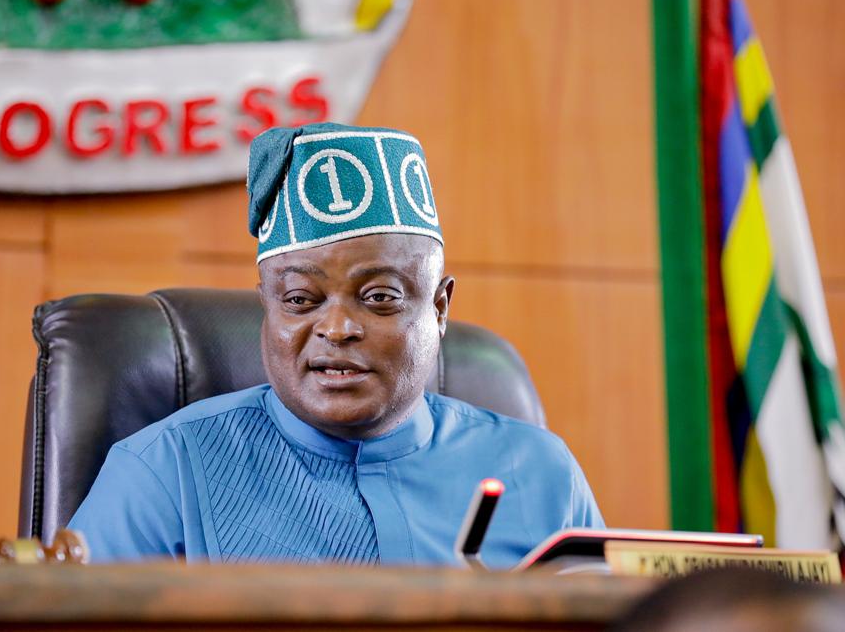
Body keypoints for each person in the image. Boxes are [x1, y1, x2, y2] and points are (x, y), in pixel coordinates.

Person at [68, 123, 604, 566]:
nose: (338, 328)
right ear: (267, 306)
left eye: (379, 297)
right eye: (300, 300)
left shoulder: (539, 472)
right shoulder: (165, 471)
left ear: (439, 309)